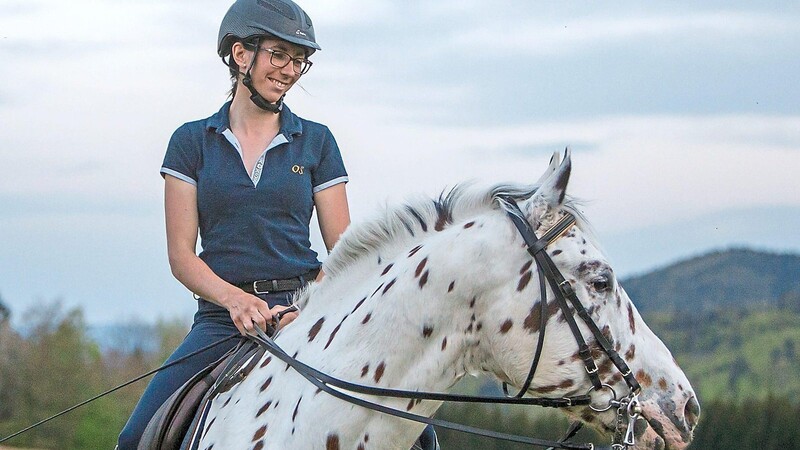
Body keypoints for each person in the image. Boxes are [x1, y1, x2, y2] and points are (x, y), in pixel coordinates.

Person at [118, 1, 438, 449]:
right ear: (240, 54)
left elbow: (346, 251)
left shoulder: (318, 141)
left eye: (300, 60)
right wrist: (235, 301)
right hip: (221, 320)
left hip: (306, 312)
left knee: (419, 437)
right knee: (136, 438)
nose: (290, 70)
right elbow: (181, 256)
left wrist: (308, 307)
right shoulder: (191, 142)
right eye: (280, 55)